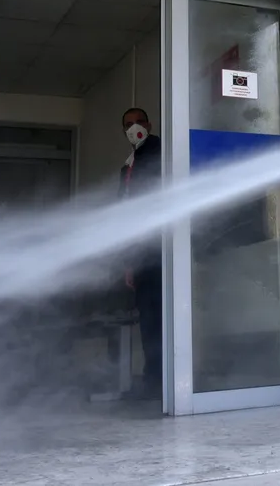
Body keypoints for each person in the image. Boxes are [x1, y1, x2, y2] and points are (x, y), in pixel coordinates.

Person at [119, 107, 163, 399]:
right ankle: (154, 378)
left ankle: (162, 380)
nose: (134, 128)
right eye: (128, 125)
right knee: (148, 318)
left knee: (162, 316)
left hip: (162, 247)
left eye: (139, 122)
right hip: (141, 252)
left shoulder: (159, 151)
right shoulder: (128, 165)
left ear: (149, 124)